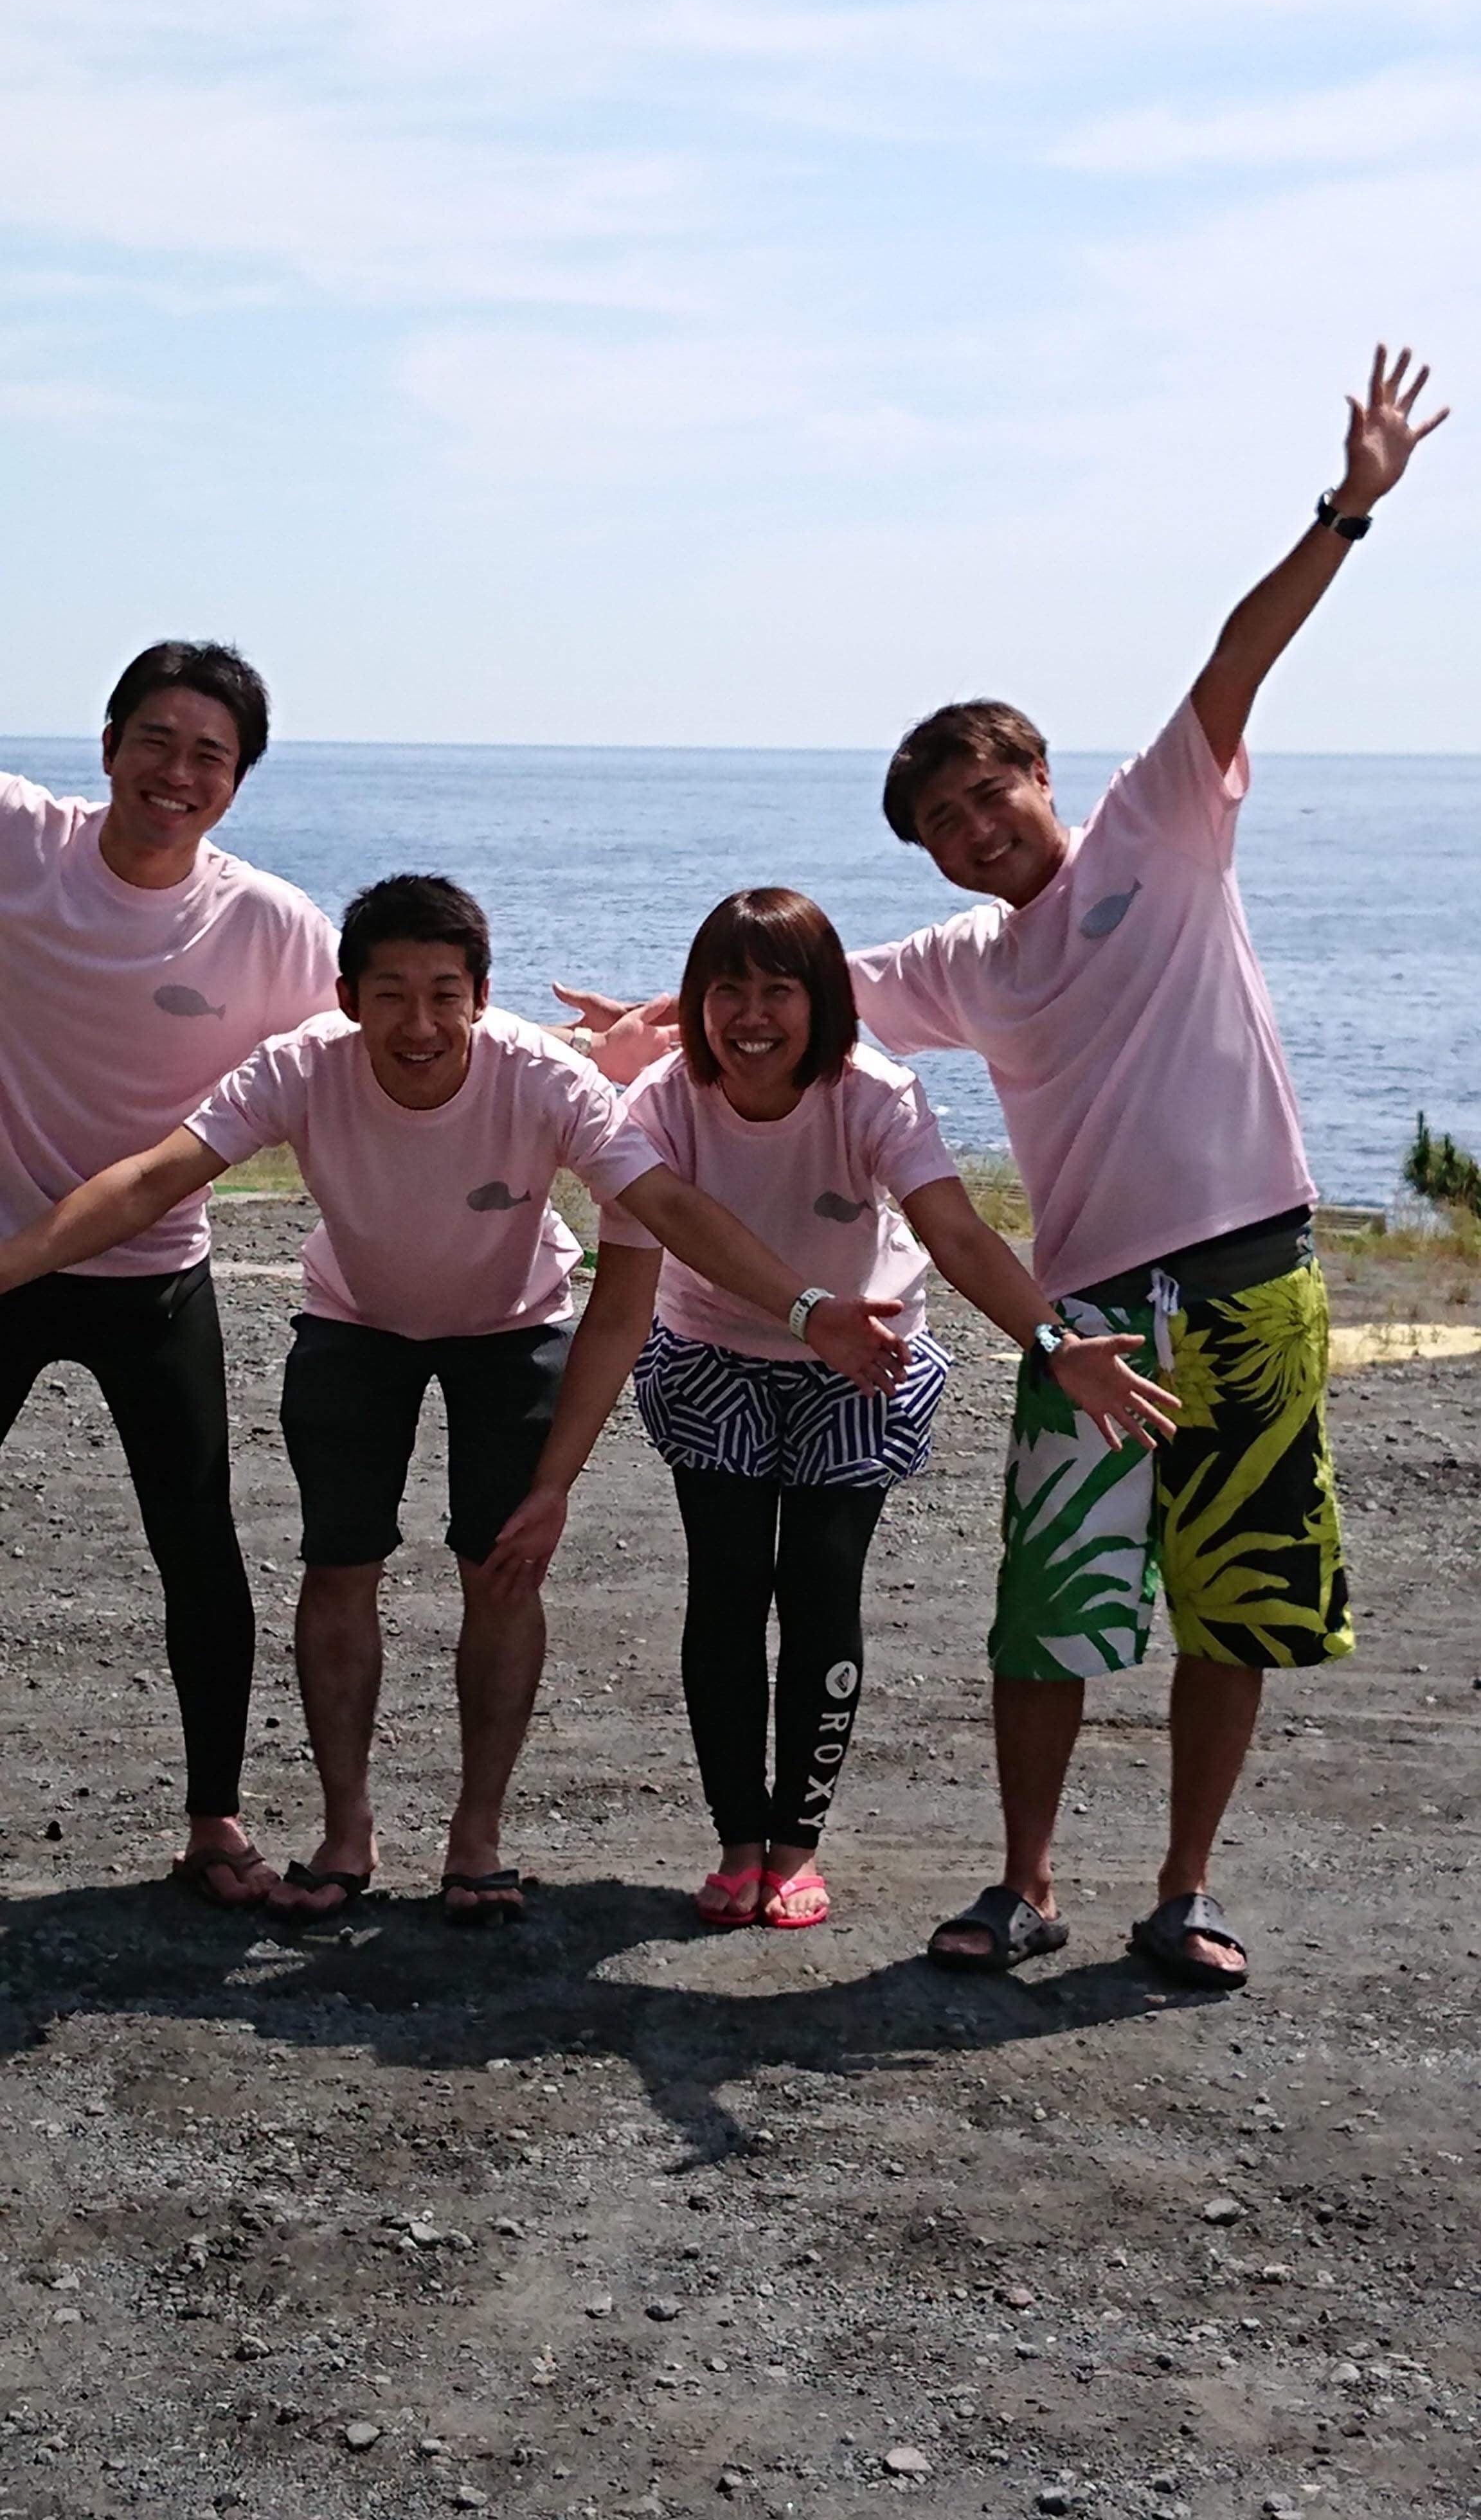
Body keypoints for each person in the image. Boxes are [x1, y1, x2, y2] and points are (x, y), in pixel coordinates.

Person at [553, 346, 1448, 1987]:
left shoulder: (1159, 825)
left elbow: (1237, 657)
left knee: (1237, 1597)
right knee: (1051, 1600)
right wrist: (654, 1017)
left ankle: (1182, 1889)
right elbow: (804, 996)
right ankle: (1024, 1883)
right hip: (1085, 1303)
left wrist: (1347, 510)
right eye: (946, 822)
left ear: (1041, 773)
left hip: (1252, 1270)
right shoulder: (968, 963)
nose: (979, 828)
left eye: (992, 792)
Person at [0, 876, 911, 1923]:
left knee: (503, 1570)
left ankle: (477, 1842)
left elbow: (664, 1210)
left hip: (511, 1327)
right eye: (390, 995)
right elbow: (153, 1179)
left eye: (444, 994)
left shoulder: (547, 1080)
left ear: (482, 995)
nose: (419, 1024)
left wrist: (805, 1312)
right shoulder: (302, 1066)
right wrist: (10, 1268)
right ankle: (346, 1833)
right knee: (339, 1564)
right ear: (348, 998)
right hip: (355, 1321)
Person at [530, 888, 1172, 1931]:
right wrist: (554, 1479)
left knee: (821, 1589)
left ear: (821, 1000)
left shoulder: (874, 1094)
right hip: (713, 1355)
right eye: (727, 990)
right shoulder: (660, 1105)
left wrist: (1054, 1345)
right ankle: (739, 1844)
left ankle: (796, 1847)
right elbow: (622, 1303)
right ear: (693, 1003)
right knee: (726, 1591)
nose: (751, 1017)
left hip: (863, 1360)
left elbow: (956, 1234)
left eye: (778, 991)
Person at [0, 643, 340, 1907]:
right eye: (155, 739)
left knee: (197, 1544)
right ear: (107, 748)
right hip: (3, 1260)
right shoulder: (19, 841)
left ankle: (214, 1822)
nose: (177, 772)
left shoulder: (271, 927)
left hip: (153, 1273)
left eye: (210, 754)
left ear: (237, 782)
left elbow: (386, 1049)